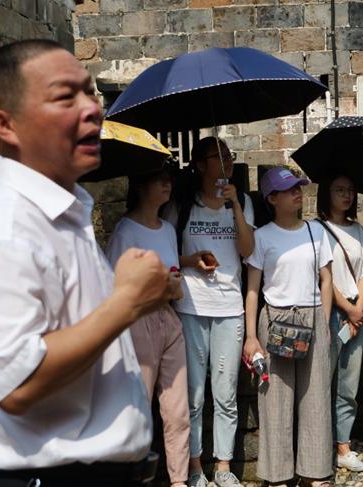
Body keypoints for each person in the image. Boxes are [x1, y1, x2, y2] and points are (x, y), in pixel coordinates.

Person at [0, 39, 175, 486]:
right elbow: (17, 384)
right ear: (5, 124)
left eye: (91, 93)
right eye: (65, 97)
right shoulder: (4, 231)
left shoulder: (66, 213)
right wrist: (127, 302)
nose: (93, 110)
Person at [164, 136, 254, 487]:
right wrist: (192, 260)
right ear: (200, 165)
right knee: (194, 393)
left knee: (226, 391)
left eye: (229, 155)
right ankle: (195, 467)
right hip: (191, 306)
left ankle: (223, 466)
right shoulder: (182, 206)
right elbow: (165, 252)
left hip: (230, 307)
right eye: (218, 156)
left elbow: (247, 251)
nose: (227, 161)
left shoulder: (242, 201)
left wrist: (235, 207)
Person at [243, 167, 334, 487]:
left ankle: (314, 471)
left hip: (313, 317)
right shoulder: (262, 236)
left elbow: (326, 279)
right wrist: (251, 336)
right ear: (272, 198)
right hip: (275, 319)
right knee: (275, 401)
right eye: (290, 189)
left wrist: (324, 321)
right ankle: (278, 475)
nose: (298, 193)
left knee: (316, 398)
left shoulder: (316, 231)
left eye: (299, 187)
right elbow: (252, 289)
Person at [106, 166, 190, 487]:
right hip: (139, 318)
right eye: (159, 179)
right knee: (139, 403)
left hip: (169, 316)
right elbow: (114, 283)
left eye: (169, 179)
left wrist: (173, 282)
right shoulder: (125, 231)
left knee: (177, 408)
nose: (167, 184)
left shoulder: (168, 229)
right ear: (140, 186)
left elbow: (175, 272)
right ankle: (132, 476)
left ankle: (179, 480)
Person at [314, 174, 363, 472]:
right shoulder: (316, 229)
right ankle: (319, 446)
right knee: (323, 381)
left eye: (350, 190)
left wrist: (357, 309)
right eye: (339, 190)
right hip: (332, 312)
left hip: (355, 314)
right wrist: (348, 309)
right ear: (327, 193)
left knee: (349, 384)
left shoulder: (358, 229)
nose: (346, 195)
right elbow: (322, 275)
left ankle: (343, 446)